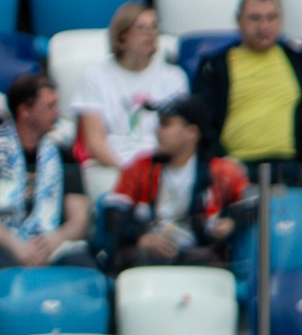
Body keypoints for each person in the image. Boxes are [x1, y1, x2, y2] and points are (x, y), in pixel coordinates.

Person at [0, 72, 94, 273]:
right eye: (50, 106)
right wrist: (16, 246)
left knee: (84, 269)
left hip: (53, 245)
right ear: (25, 110)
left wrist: (53, 241)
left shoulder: (64, 154)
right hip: (4, 246)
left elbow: (79, 218)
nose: (57, 113)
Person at [102, 98, 247, 267]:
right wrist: (141, 237)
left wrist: (230, 222)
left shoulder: (221, 171)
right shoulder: (141, 167)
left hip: (197, 253)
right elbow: (113, 212)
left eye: (166, 124)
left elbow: (251, 204)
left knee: (212, 262)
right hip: (149, 254)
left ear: (191, 132)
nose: (157, 132)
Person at [189, 0, 302, 169]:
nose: (264, 26)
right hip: (235, 170)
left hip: (292, 170)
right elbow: (202, 125)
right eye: (255, 18)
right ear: (238, 20)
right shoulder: (215, 66)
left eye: (271, 17)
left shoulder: (297, 62)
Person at [73, 1, 190, 172]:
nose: (151, 34)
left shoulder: (174, 77)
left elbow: (179, 138)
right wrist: (128, 175)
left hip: (159, 168)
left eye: (154, 27)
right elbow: (95, 141)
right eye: (142, 28)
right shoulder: (95, 76)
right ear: (121, 37)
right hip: (110, 167)